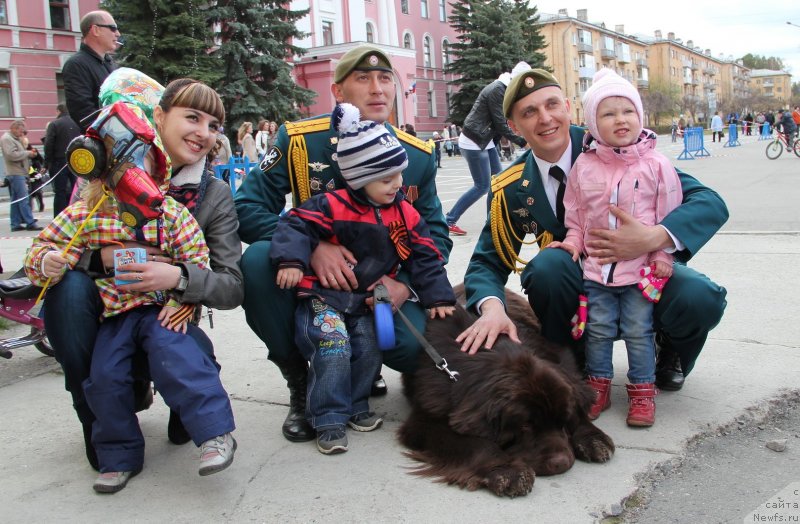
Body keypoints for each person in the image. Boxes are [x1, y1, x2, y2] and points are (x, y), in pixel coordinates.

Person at [460, 66, 728, 394]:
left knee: (700, 297)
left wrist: (652, 237)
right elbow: (487, 261)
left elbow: (708, 202)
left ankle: (669, 346)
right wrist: (492, 308)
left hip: (642, 272)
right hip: (580, 285)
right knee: (548, 268)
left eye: (552, 105)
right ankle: (572, 356)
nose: (545, 118)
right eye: (529, 112)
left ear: (567, 107)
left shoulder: (613, 143)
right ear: (513, 126)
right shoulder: (512, 187)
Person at [234, 44, 450, 444]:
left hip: (378, 285)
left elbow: (435, 234)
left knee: (412, 349)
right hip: (312, 281)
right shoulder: (301, 141)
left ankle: (362, 372)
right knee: (258, 262)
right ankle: (301, 382)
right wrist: (312, 248)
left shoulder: (416, 156)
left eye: (385, 78)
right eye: (363, 79)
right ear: (337, 92)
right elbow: (246, 207)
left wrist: (404, 285)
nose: (377, 89)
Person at [24, 90, 237, 493]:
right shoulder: (87, 210)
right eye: (192, 118)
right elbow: (44, 248)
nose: (203, 133)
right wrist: (57, 260)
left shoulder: (176, 210)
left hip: (162, 313)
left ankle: (213, 433)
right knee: (103, 375)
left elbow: (208, 266)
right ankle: (117, 453)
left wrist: (179, 285)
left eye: (213, 126)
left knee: (181, 357)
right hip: (113, 315)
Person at [271, 104, 455, 454]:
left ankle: (356, 405)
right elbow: (294, 224)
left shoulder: (405, 212)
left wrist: (439, 297)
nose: (397, 184)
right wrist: (291, 261)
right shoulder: (331, 205)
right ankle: (327, 418)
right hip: (324, 297)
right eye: (386, 179)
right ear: (358, 178)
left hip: (364, 302)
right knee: (334, 347)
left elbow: (426, 254)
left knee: (369, 350)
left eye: (399, 175)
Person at [547, 70, 683, 427]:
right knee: (598, 330)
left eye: (628, 111)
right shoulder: (585, 165)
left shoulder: (656, 164)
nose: (620, 120)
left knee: (639, 331)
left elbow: (668, 216)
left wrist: (661, 255)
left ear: (640, 116)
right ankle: (598, 385)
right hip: (597, 273)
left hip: (640, 273)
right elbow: (577, 215)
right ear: (593, 123)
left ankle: (642, 391)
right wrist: (572, 243)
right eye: (608, 114)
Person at [446, 65, 528, 236]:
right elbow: (501, 123)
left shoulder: (505, 90)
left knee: (499, 182)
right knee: (482, 186)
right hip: (473, 141)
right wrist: (523, 142)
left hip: (485, 141)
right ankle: (449, 220)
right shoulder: (497, 90)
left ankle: (493, 220)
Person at [62, 10, 119, 131]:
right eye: (113, 28)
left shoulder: (111, 63)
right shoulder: (76, 64)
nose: (117, 34)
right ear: (95, 30)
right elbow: (83, 111)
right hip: (103, 138)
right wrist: (115, 132)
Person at [1, 120, 42, 232]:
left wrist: (28, 152)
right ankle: (30, 222)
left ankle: (15, 224)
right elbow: (11, 155)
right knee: (24, 198)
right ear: (14, 128)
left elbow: (19, 153)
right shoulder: (7, 139)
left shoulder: (15, 138)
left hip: (19, 172)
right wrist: (27, 153)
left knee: (16, 199)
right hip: (16, 173)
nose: (22, 133)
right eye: (21, 131)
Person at [45, 103, 82, 216]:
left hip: (59, 161)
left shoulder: (54, 124)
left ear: (58, 111)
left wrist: (47, 163)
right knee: (76, 190)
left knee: (60, 191)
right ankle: (75, 214)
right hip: (75, 160)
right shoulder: (77, 123)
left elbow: (49, 144)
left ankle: (59, 216)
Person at [26, 142, 47, 213]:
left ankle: (41, 204)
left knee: (37, 191)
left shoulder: (33, 151)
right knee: (30, 193)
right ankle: (30, 207)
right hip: (27, 176)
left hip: (35, 175)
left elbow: (42, 160)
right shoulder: (22, 153)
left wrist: (41, 171)